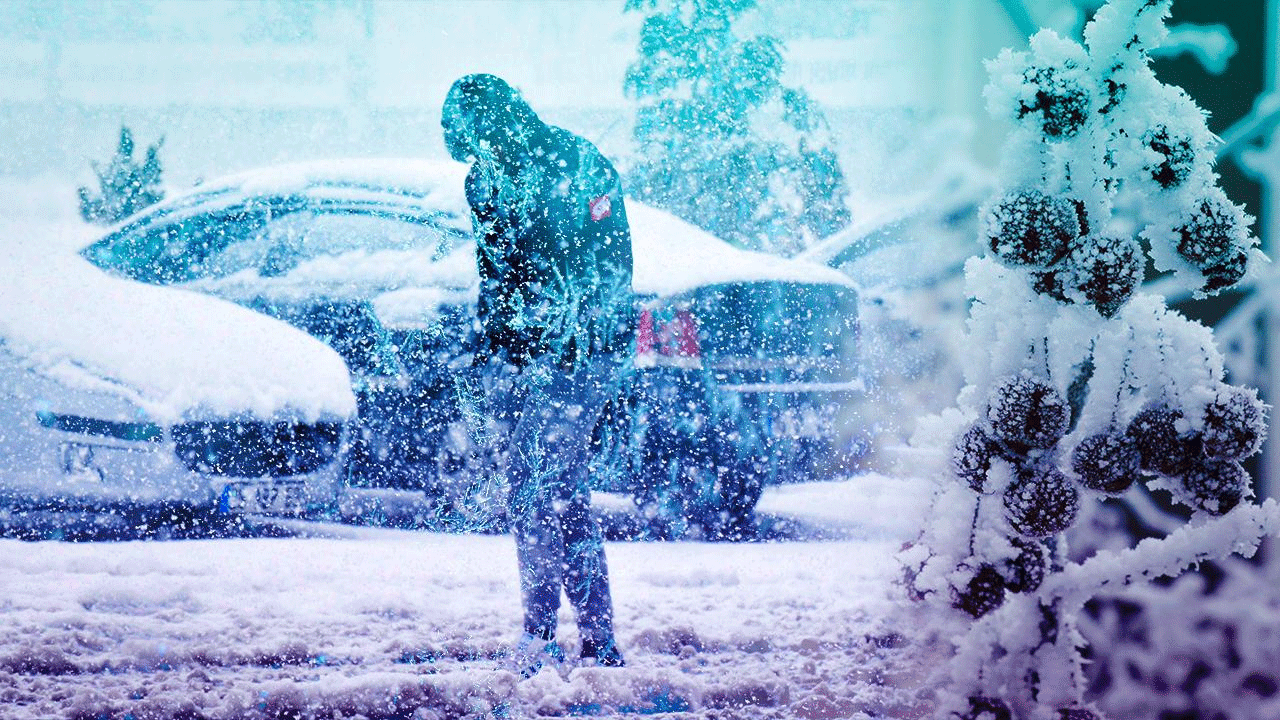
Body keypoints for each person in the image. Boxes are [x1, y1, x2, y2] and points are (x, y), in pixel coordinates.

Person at [440, 73, 633, 675]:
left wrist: (578, 337)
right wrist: (493, 350)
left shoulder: (576, 162)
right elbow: (496, 275)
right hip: (530, 361)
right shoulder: (482, 184)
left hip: (587, 351)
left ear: (501, 124)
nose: (479, 160)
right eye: (469, 152)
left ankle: (541, 635)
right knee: (559, 492)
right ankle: (596, 643)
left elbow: (609, 262)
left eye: (481, 144)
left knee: (537, 486)